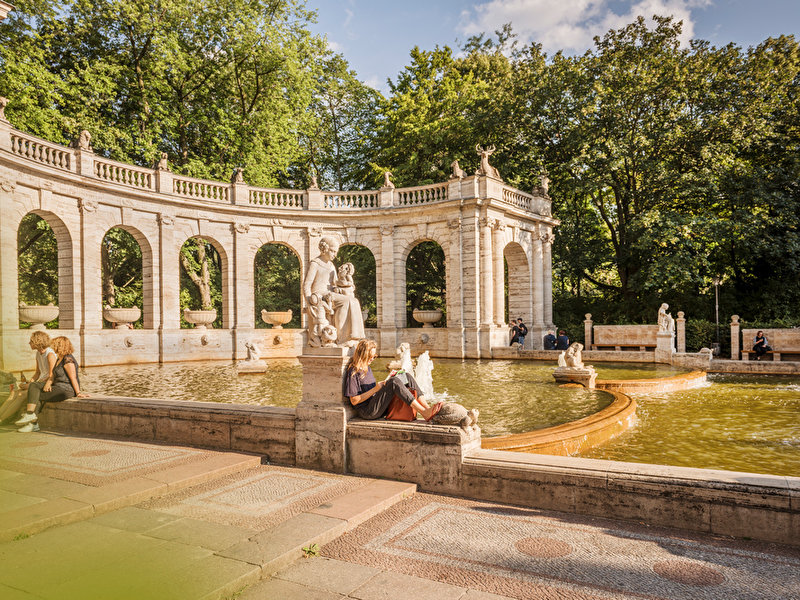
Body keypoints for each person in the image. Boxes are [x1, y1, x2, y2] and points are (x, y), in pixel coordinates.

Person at [343, 339, 442, 421]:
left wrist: (382, 385)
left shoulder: (367, 368)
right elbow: (354, 400)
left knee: (405, 376)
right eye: (370, 356)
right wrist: (376, 389)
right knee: (393, 382)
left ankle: (427, 408)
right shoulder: (353, 371)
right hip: (368, 411)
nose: (372, 359)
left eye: (374, 356)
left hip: (376, 404)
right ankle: (423, 412)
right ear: (363, 355)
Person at [15, 336, 89, 432]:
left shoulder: (68, 359)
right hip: (57, 387)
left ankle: (32, 421)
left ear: (60, 346)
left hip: (66, 390)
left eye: (54, 344)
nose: (52, 346)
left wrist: (78, 393)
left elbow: (73, 378)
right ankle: (32, 419)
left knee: (36, 395)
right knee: (33, 386)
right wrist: (48, 384)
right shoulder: (59, 358)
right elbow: (53, 376)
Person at [303, 237, 365, 345]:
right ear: (325, 249)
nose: (335, 255)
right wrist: (309, 302)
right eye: (333, 251)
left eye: (336, 252)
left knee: (353, 300)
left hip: (331, 294)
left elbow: (335, 283)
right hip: (319, 296)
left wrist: (344, 285)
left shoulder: (331, 265)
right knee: (346, 301)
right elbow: (306, 285)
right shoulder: (315, 263)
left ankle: (353, 337)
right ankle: (341, 338)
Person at [0, 331, 57, 423]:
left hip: (47, 384)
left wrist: (32, 385)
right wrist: (29, 382)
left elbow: (52, 375)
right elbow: (37, 373)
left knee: (21, 394)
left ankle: (1, 419)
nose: (29, 343)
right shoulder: (38, 353)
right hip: (38, 383)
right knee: (14, 392)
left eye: (31, 341)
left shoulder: (50, 354)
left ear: (37, 341)